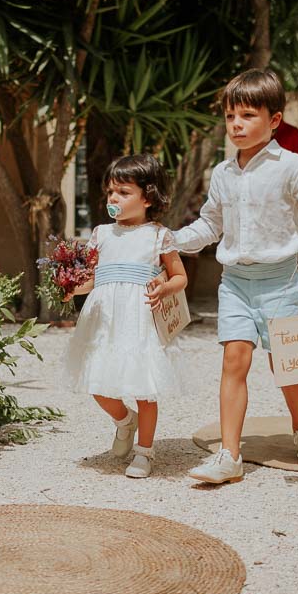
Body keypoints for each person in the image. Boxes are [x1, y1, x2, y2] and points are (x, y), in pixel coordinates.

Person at [169, 69, 298, 483]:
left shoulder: (292, 166)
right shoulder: (223, 174)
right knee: (234, 359)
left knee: (286, 364)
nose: (237, 125)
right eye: (231, 117)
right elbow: (209, 226)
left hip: (281, 280)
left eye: (247, 115)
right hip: (235, 283)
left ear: (275, 120)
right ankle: (230, 456)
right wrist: (168, 239)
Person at [62, 154, 187, 479]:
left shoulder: (158, 235)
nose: (113, 199)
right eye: (110, 192)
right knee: (97, 382)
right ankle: (124, 421)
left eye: (123, 192)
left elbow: (179, 277)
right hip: (104, 318)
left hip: (139, 317)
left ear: (148, 197)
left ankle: (145, 451)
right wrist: (71, 289)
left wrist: (165, 289)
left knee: (144, 387)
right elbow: (91, 277)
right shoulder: (101, 233)